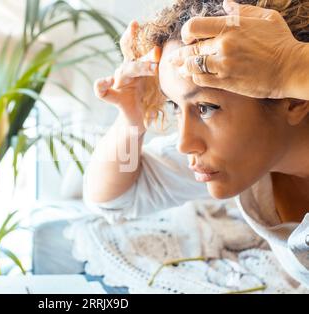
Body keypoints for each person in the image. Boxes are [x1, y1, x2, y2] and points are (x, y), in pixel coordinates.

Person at [85, 0, 309, 286]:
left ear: (294, 99)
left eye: (205, 107)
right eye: (175, 106)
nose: (184, 143)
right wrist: (132, 119)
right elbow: (113, 199)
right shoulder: (251, 163)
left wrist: (292, 63)